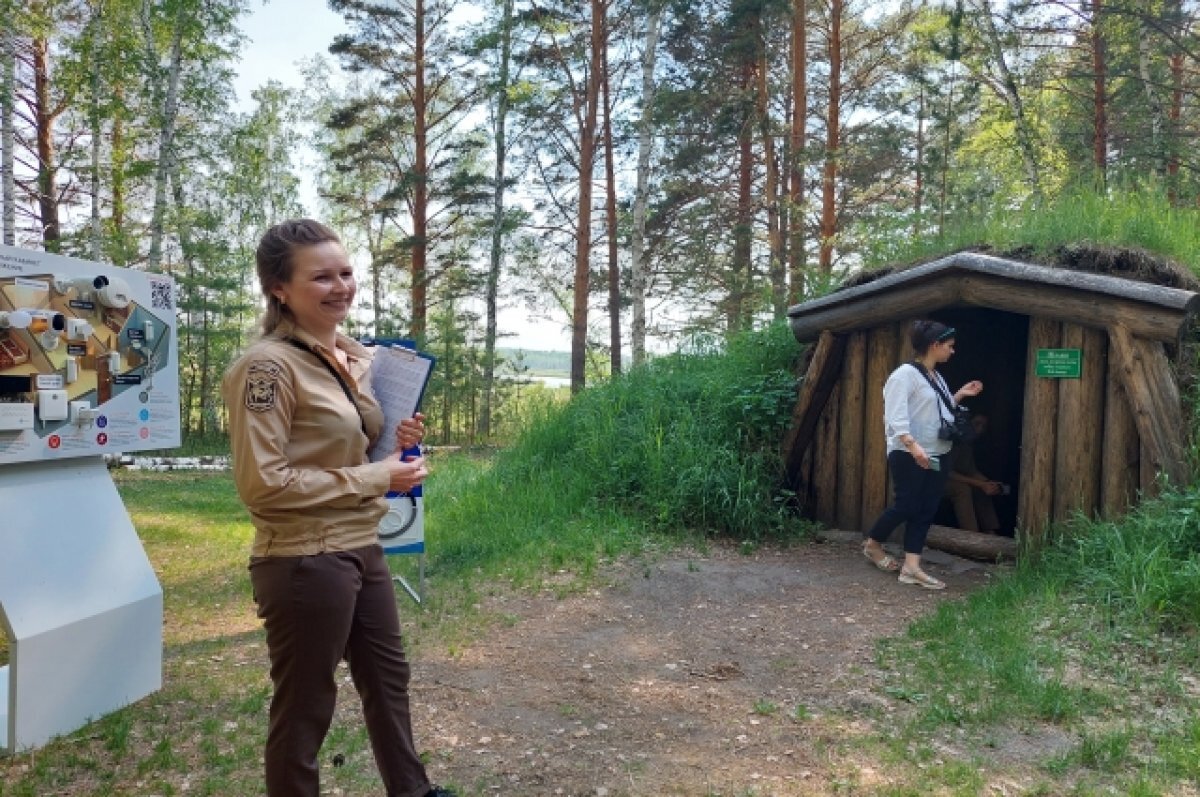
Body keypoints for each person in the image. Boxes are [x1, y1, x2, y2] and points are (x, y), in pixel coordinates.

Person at [221, 219, 455, 797]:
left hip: (360, 543)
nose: (340, 287)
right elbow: (264, 484)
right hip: (304, 559)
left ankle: (413, 792)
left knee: (387, 679)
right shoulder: (268, 367)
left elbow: (340, 447)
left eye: (346, 272)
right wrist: (381, 473)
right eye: (320, 277)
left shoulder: (351, 357)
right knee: (305, 708)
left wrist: (393, 444)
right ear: (279, 288)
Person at [860, 319, 983, 590]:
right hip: (908, 453)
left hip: (938, 452)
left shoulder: (935, 376)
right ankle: (873, 544)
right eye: (949, 346)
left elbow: (935, 410)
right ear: (934, 345)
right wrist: (912, 446)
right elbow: (895, 415)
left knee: (927, 508)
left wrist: (959, 395)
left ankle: (911, 567)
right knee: (906, 505)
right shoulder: (903, 375)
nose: (953, 351)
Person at [944, 414, 1003, 534]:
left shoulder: (968, 443)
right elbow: (947, 472)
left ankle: (990, 532)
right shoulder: (953, 439)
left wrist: (987, 483)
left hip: (954, 478)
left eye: (983, 426)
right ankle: (971, 535)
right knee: (962, 489)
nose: (980, 429)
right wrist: (979, 483)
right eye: (977, 424)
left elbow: (971, 471)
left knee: (982, 488)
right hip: (934, 481)